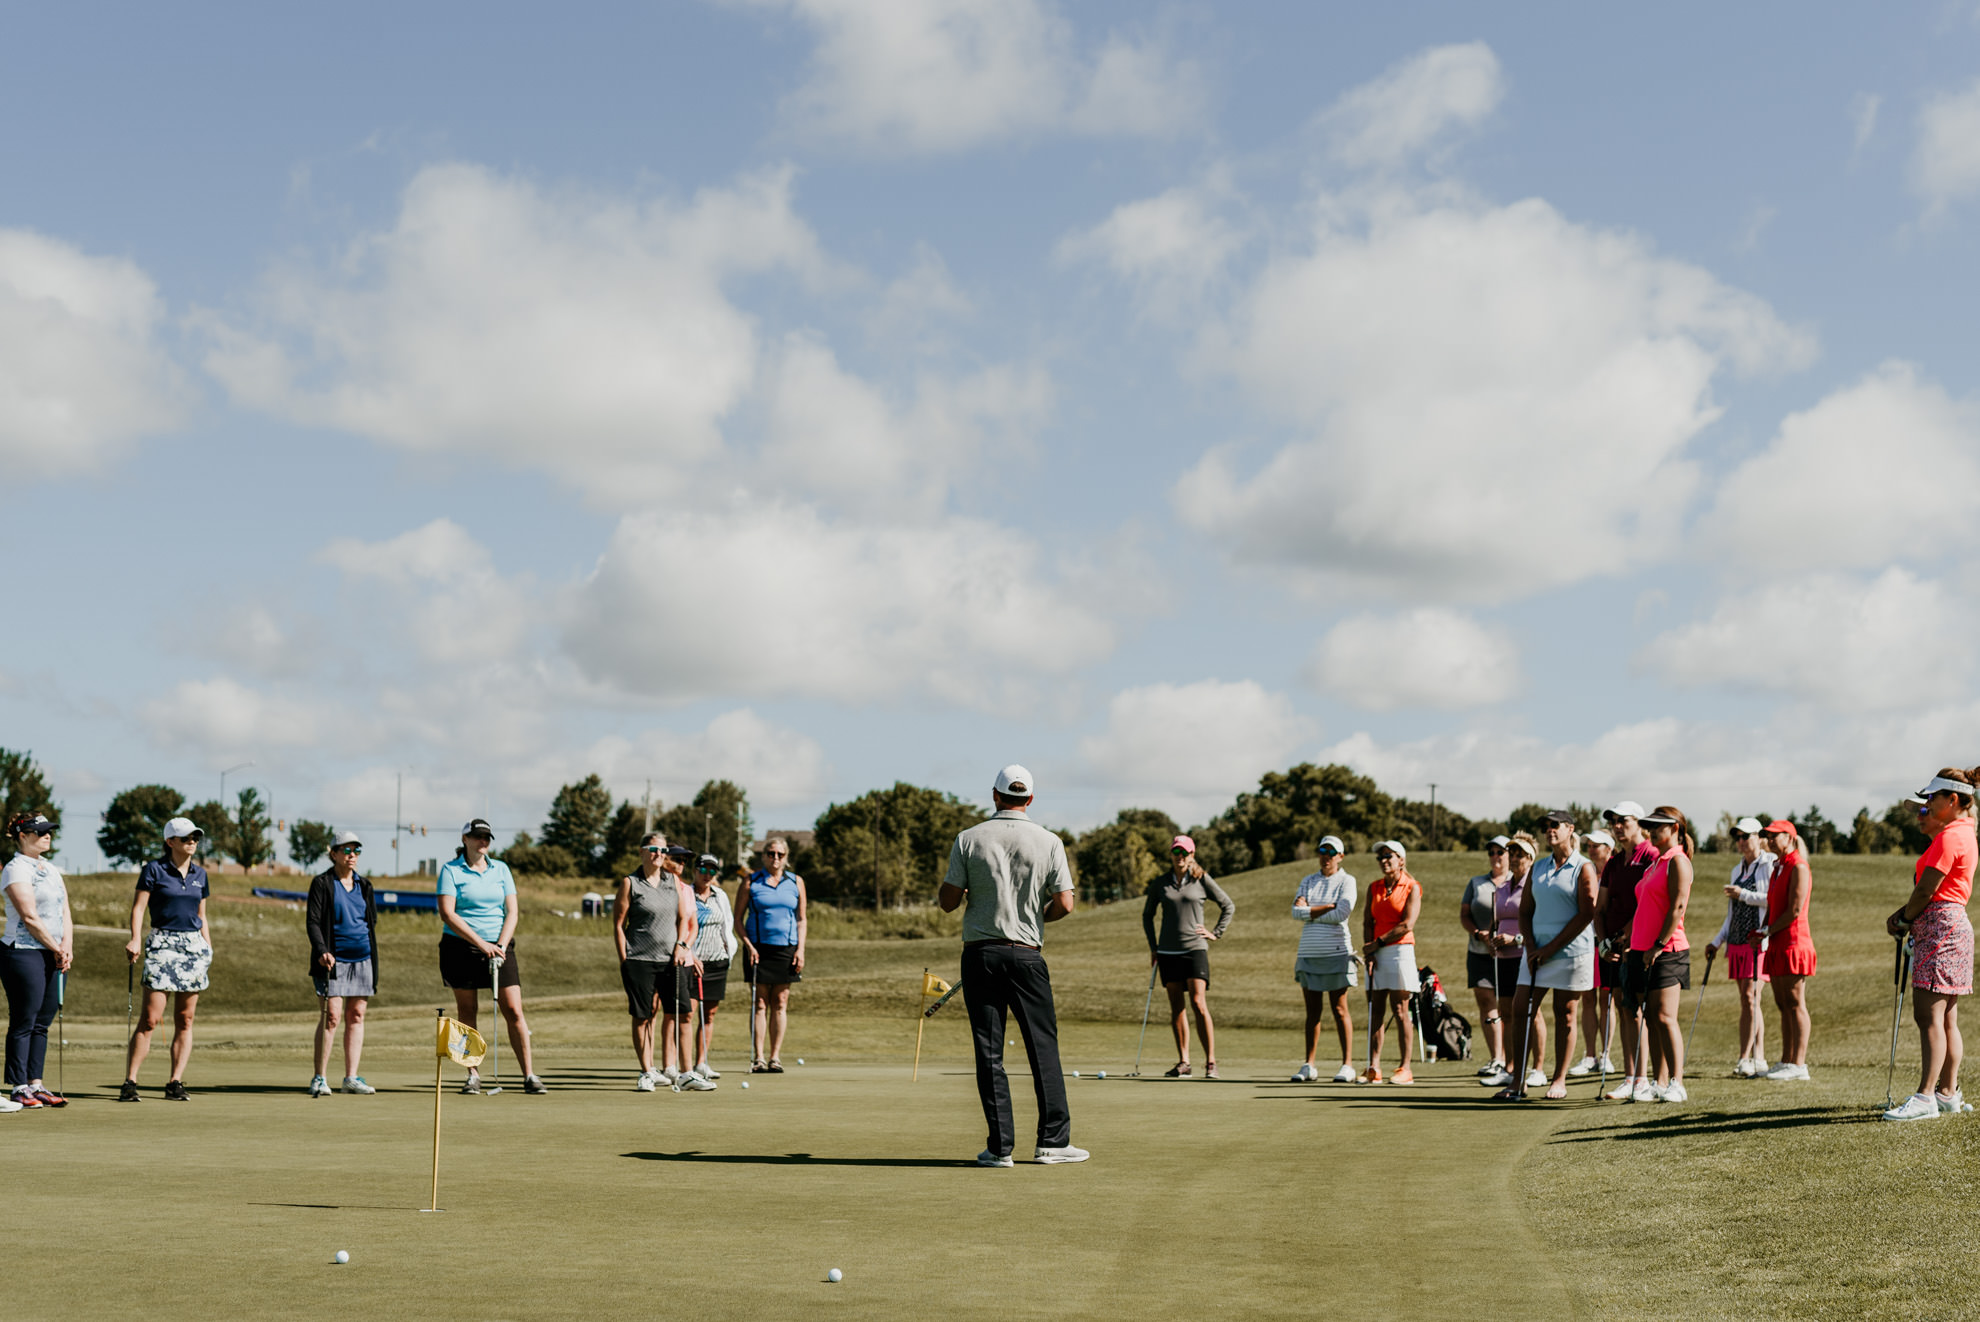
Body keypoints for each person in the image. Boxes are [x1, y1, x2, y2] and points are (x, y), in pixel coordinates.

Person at [937, 764, 1086, 1166]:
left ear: (995, 795)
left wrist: (966, 888)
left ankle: (1000, 1148)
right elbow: (1066, 904)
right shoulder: (1049, 840)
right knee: (1043, 1049)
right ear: (1030, 800)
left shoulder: (968, 839)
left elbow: (948, 902)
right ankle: (1053, 1143)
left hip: (981, 955)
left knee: (989, 1053)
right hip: (1027, 954)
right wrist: (1038, 919)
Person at [1884, 769, 1979, 1121]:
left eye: (1931, 799)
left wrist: (1904, 919)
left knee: (1928, 1015)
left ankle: (1926, 1097)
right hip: (1948, 925)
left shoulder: (1951, 836)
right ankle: (1947, 1093)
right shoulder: (1963, 833)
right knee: (1946, 1017)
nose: (1926, 805)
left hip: (1940, 927)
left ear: (1952, 800)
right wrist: (1905, 915)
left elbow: (1927, 890)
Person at [437, 819, 546, 1095]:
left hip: (500, 947)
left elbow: (512, 911)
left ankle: (529, 1075)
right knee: (467, 1012)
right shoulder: (451, 870)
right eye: (477, 836)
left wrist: (500, 944)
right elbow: (448, 913)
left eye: (486, 837)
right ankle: (472, 1074)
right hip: (461, 947)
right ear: (465, 839)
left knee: (513, 1009)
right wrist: (480, 943)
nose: (483, 841)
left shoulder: (501, 869)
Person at [1498, 812, 1599, 1101]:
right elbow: (1525, 912)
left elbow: (1586, 913)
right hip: (1535, 953)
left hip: (1570, 952)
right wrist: (1530, 945)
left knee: (1565, 1014)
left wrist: (1550, 948)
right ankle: (1518, 1081)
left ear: (1570, 829)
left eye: (1555, 825)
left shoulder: (1584, 867)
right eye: (1545, 826)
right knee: (1521, 1009)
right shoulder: (1538, 867)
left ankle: (1558, 1079)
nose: (1549, 830)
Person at [121, 817, 213, 1102]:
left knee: (185, 1019)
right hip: (162, 943)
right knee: (150, 1019)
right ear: (170, 841)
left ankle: (175, 1082)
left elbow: (202, 915)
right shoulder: (154, 870)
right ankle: (130, 1081)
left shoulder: (201, 874)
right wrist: (136, 938)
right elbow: (139, 909)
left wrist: (208, 946)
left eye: (195, 837)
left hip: (192, 946)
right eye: (186, 838)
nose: (192, 842)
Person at [613, 833, 705, 1091]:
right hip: (639, 959)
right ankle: (646, 1071)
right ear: (642, 851)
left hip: (670, 960)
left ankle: (686, 1073)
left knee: (682, 1013)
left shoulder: (673, 881)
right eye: (653, 849)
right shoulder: (630, 883)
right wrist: (625, 960)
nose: (658, 854)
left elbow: (682, 920)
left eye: (663, 850)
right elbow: (619, 925)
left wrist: (682, 945)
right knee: (643, 1016)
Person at [1143, 834, 1235, 1079]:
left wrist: (1215, 933)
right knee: (1177, 1007)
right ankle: (1184, 1061)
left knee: (1198, 1002)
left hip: (1195, 949)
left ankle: (1211, 1062)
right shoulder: (1161, 883)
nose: (1180, 857)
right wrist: (1154, 947)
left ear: (1192, 854)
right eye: (1176, 852)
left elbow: (1228, 905)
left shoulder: (1202, 879)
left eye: (1184, 852)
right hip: (1168, 952)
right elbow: (1147, 915)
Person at [2, 813, 71, 1109]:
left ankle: (35, 1084)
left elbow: (64, 910)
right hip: (23, 951)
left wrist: (67, 946)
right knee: (24, 1019)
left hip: (53, 952)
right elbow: (29, 916)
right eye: (40, 832)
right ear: (22, 835)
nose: (47, 836)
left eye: (49, 831)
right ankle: (19, 1087)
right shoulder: (15, 869)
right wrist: (55, 946)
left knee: (43, 1021)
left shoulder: (51, 869)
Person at [1595, 802, 1661, 1101]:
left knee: (1638, 1012)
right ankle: (1630, 1076)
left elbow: (1649, 903)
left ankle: (1644, 1079)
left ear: (1639, 824)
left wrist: (1625, 935)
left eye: (1623, 821)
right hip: (1614, 947)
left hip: (1640, 945)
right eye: (1614, 822)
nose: (1617, 826)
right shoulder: (1612, 862)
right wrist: (1603, 942)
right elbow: (1601, 908)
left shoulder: (1652, 856)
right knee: (1623, 1009)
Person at [1628, 807, 1695, 1103]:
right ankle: (1660, 1081)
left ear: (1676, 828)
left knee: (1666, 1017)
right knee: (1652, 1018)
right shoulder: (1655, 863)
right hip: (1643, 949)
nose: (1652, 832)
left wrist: (1658, 945)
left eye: (1659, 826)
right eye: (1650, 827)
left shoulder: (1678, 861)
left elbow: (1677, 907)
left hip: (1668, 950)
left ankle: (1677, 1083)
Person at [305, 830, 379, 1097]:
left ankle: (351, 1077)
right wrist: (322, 950)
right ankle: (319, 1078)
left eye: (356, 850)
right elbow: (313, 921)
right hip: (332, 960)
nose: (352, 855)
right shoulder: (322, 883)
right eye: (346, 850)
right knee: (331, 1017)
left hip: (363, 957)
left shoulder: (365, 886)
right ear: (334, 853)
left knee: (356, 1016)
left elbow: (370, 922)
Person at [1706, 816, 1774, 1077]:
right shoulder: (1737, 870)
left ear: (1759, 838)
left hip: (1757, 939)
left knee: (1751, 997)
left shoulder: (1768, 865)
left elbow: (1772, 900)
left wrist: (1743, 894)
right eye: (1739, 837)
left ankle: (1749, 1057)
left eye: (1747, 836)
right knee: (1747, 1001)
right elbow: (1731, 913)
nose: (1742, 842)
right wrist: (1717, 940)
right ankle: (1756, 1058)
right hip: (1736, 942)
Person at [736, 836, 807, 1073]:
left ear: (786, 857)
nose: (775, 858)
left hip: (786, 948)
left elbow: (801, 919)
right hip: (758, 948)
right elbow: (738, 920)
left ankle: (775, 1057)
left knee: (781, 1002)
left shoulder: (795, 882)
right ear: (764, 855)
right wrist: (749, 945)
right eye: (770, 853)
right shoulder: (751, 881)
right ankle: (759, 1058)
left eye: (780, 854)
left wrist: (800, 949)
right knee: (760, 1003)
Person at [1290, 836, 1358, 1083]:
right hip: (1309, 953)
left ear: (1340, 856)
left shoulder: (1347, 881)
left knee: (1340, 1009)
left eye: (1332, 852)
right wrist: (1325, 907)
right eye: (1322, 850)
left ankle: (1347, 1065)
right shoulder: (1308, 881)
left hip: (1337, 952)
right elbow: (1296, 912)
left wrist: (1311, 912)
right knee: (1312, 1012)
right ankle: (1309, 1065)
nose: (1326, 855)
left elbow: (1342, 912)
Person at [1480, 835, 1541, 1088]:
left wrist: (1515, 939)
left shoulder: (1535, 885)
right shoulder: (1503, 886)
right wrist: (1493, 939)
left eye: (1520, 855)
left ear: (1530, 859)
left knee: (1530, 1012)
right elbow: (1497, 920)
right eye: (1512, 854)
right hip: (1503, 958)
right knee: (1506, 1013)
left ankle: (1537, 1068)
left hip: (1525, 955)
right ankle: (1510, 1067)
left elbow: (1537, 923)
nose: (1514, 859)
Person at [1359, 841, 1421, 1084]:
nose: (1384, 860)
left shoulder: (1412, 886)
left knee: (1400, 1010)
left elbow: (1407, 924)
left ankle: (1405, 1068)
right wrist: (1370, 952)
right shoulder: (1373, 887)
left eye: (1389, 856)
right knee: (1376, 1010)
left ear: (1401, 860)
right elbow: (1367, 921)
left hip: (1400, 951)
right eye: (1380, 857)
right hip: (1377, 952)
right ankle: (1373, 1067)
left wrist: (1378, 944)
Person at [1759, 820, 1816, 1081]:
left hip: (1794, 941)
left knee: (1795, 1003)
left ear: (1789, 837)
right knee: (1782, 1004)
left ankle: (1799, 1064)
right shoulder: (1778, 867)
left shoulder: (1799, 866)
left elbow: (1794, 910)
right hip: (1777, 942)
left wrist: (1767, 931)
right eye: (1767, 836)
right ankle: (1786, 1059)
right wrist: (1763, 929)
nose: (1769, 840)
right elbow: (1772, 907)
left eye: (1774, 836)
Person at [1459, 835, 1512, 1081]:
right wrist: (1478, 934)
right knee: (1486, 1002)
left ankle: (1512, 1060)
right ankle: (1496, 1057)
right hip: (1479, 951)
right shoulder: (1476, 882)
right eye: (1491, 852)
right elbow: (1465, 915)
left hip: (1509, 953)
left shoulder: (1518, 881)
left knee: (1508, 1006)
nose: (1495, 856)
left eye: (1500, 851)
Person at [1570, 828, 1616, 1077]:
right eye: (1589, 845)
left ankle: (1605, 1054)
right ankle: (1589, 1055)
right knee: (1587, 999)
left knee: (1606, 1001)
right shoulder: (1584, 873)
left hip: (1607, 942)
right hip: (1585, 944)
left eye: (1596, 845)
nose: (1591, 849)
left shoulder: (1614, 872)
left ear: (1608, 849)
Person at [689, 853, 737, 1080]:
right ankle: (685, 1066)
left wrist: (729, 953)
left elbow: (727, 924)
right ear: (695, 870)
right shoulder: (685, 894)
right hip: (691, 962)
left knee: (709, 1015)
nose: (707, 875)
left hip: (717, 961)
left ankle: (701, 1063)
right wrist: (689, 955)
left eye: (712, 871)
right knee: (687, 1015)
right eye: (703, 870)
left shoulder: (721, 896)